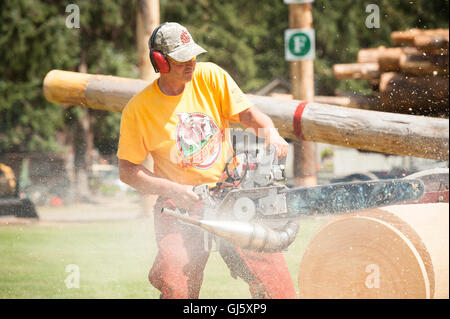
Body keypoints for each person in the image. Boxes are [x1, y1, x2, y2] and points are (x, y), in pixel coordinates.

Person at [117, 22, 296, 299]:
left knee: (271, 272)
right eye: (181, 58)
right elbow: (128, 171)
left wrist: (270, 133)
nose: (191, 63)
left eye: (193, 55)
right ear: (160, 62)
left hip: (231, 193)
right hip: (180, 204)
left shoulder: (210, 76)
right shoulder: (138, 109)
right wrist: (173, 190)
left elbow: (250, 116)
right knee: (177, 280)